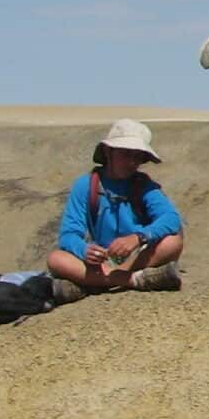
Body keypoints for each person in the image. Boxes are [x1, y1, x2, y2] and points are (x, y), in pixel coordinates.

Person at [47, 119, 185, 301]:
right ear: (108, 152)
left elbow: (171, 218)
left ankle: (92, 284)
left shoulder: (144, 185)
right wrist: (84, 250)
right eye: (126, 154)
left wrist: (138, 237)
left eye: (138, 157)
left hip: (135, 256)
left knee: (172, 242)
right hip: (100, 261)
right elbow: (69, 235)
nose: (132, 162)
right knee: (56, 259)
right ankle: (134, 280)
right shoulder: (85, 185)